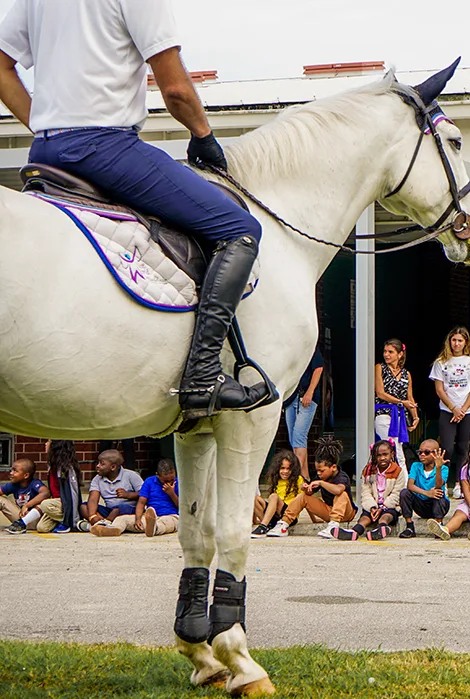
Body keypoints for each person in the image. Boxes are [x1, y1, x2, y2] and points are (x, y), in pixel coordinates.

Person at [0, 0, 272, 417]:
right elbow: (177, 90)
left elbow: (2, 66)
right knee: (238, 228)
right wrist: (203, 134)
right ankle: (203, 375)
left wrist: (43, 122)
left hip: (46, 149)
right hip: (106, 146)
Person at [430, 327, 470, 475]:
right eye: (454, 340)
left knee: (464, 446)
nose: (456, 344)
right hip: (448, 410)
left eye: (460, 340)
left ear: (465, 342)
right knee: (447, 448)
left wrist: (463, 409)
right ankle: (442, 479)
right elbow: (439, 389)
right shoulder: (440, 362)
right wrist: (453, 408)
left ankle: (460, 482)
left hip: (467, 411)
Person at [278, 437, 355, 539]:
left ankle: (333, 527)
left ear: (333, 467)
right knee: (303, 496)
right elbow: (309, 493)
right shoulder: (320, 477)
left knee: (342, 494)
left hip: (346, 513)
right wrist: (306, 488)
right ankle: (284, 523)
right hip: (329, 511)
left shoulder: (342, 476)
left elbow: (338, 490)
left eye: (322, 471)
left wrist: (321, 483)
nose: (319, 473)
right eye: (317, 471)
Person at [90, 459, 180, 537]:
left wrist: (171, 493)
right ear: (157, 475)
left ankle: (155, 529)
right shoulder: (149, 481)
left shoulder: (179, 484)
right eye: (165, 481)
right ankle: (113, 529)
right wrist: (138, 519)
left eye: (172, 479)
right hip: (149, 517)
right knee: (122, 519)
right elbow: (141, 503)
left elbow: (182, 506)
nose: (169, 483)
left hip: (171, 516)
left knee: (167, 523)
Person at [333, 441, 402, 541]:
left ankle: (381, 528)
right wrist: (372, 507)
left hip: (389, 506)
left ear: (392, 454)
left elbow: (396, 494)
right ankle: (355, 532)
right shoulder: (368, 471)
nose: (382, 458)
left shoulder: (398, 471)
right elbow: (365, 492)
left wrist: (382, 508)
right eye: (378, 455)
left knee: (386, 516)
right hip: (373, 505)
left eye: (385, 454)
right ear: (374, 456)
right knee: (365, 518)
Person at [375, 338, 417, 476]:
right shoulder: (380, 368)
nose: (386, 355)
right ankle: (403, 482)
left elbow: (409, 397)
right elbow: (380, 393)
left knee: (398, 449)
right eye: (385, 351)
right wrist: (401, 402)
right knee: (393, 449)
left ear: (400, 354)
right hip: (383, 413)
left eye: (390, 352)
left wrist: (415, 416)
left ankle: (401, 482)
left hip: (400, 416)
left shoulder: (406, 374)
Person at [398, 439, 450, 539]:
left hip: (436, 503)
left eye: (426, 452)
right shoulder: (416, 466)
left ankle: (439, 526)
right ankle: (409, 527)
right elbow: (410, 485)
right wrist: (427, 493)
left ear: (435, 453)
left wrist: (438, 468)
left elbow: (439, 485)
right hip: (421, 504)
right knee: (404, 493)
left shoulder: (444, 468)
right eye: (420, 452)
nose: (422, 455)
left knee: (439, 494)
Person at [284, 346, 324, 475]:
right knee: (293, 438)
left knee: (299, 436)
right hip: (291, 398)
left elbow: (318, 369)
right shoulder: (288, 349)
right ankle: (304, 475)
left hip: (307, 396)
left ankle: (296, 477)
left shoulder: (311, 347)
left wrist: (310, 391)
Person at [81, 450, 141, 530]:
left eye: (102, 464)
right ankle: (100, 523)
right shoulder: (97, 479)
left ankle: (106, 525)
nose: (98, 466)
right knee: (84, 506)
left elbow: (144, 494)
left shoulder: (131, 475)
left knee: (117, 510)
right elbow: (93, 499)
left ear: (113, 467)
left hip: (129, 509)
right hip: (109, 510)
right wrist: (92, 516)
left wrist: (128, 495)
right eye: (98, 463)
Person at [251, 450, 303, 537]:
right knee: (253, 497)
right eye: (282, 468)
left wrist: (314, 519)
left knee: (274, 496)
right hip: (275, 514)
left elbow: (304, 499)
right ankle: (266, 523)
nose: (285, 471)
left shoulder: (298, 479)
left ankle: (263, 526)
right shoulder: (276, 480)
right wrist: (254, 521)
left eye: (288, 468)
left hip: (289, 515)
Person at [1, 459, 48, 534]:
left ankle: (22, 524)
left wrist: (27, 505)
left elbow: (46, 493)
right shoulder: (13, 485)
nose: (11, 473)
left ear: (26, 475)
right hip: (19, 519)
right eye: (11, 470)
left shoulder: (34, 483)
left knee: (44, 504)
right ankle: (19, 525)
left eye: (15, 471)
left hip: (36, 521)